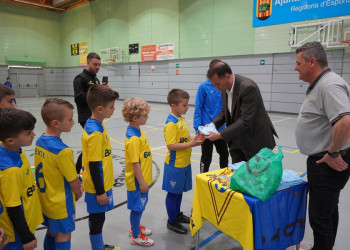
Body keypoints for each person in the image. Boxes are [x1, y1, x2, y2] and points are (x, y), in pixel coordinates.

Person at [294, 41, 350, 250]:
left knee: (320, 217)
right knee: (327, 211)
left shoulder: (329, 85)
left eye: (299, 63)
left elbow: (345, 121)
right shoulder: (323, 83)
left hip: (327, 162)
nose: (295, 67)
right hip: (324, 160)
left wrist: (333, 153)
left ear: (312, 61)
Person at [34, 98, 84, 250]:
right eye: (69, 119)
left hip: (45, 200)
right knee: (64, 233)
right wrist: (78, 191)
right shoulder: (63, 151)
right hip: (61, 204)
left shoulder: (40, 141)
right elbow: (73, 182)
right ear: (56, 123)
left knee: (51, 231)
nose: (73, 122)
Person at [206, 61, 278, 163]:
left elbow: (245, 120)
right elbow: (225, 112)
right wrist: (212, 125)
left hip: (255, 141)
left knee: (256, 176)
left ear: (227, 76)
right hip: (236, 140)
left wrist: (220, 135)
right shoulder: (224, 88)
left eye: (217, 84)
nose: (215, 88)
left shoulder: (248, 88)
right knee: (239, 174)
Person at [81, 85, 120, 250]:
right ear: (99, 108)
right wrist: (100, 191)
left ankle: (99, 245)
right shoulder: (95, 133)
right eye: (111, 107)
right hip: (98, 186)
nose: (114, 109)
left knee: (96, 217)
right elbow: (94, 164)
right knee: (98, 219)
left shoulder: (94, 124)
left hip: (100, 183)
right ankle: (98, 247)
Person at [162, 89, 205, 234]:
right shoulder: (171, 124)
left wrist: (195, 138)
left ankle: (177, 214)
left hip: (184, 163)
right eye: (184, 105)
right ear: (173, 106)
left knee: (179, 192)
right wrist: (191, 144)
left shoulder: (181, 119)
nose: (187, 108)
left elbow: (184, 139)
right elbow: (171, 145)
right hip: (175, 165)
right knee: (173, 193)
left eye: (187, 105)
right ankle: (171, 220)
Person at [0, 108, 43, 249]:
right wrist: (27, 237)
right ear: (10, 140)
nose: (34, 134)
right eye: (28, 133)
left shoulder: (15, 149)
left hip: (26, 221)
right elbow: (13, 208)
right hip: (16, 234)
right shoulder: (10, 171)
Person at [122, 97, 154, 247]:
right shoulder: (133, 138)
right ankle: (135, 235)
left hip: (142, 179)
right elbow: (135, 163)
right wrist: (141, 182)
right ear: (135, 118)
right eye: (145, 115)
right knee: (137, 207)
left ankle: (134, 227)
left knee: (140, 206)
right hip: (137, 181)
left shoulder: (137, 130)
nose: (147, 117)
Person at [73, 52, 108, 175]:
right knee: (90, 147)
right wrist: (94, 91)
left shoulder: (96, 79)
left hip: (96, 116)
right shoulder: (80, 78)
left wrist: (103, 91)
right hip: (86, 117)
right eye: (95, 64)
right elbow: (78, 99)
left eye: (99, 65)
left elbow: (97, 98)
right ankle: (79, 171)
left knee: (91, 146)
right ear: (87, 62)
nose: (97, 67)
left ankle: (81, 170)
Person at [194, 59, 229, 173]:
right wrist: (197, 129)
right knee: (206, 157)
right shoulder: (203, 87)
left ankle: (224, 176)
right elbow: (198, 108)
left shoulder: (223, 86)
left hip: (220, 129)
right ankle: (202, 178)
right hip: (206, 130)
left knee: (224, 154)